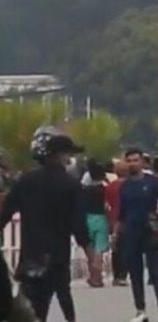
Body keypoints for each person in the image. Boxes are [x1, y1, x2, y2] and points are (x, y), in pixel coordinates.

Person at [0, 127, 92, 322]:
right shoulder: (71, 185)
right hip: (58, 256)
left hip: (31, 256)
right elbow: (79, 226)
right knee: (64, 297)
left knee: (32, 307)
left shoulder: (26, 181)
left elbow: (4, 214)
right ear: (61, 155)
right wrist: (91, 256)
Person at [116, 148, 158, 322]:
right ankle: (140, 311)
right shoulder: (124, 186)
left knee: (155, 272)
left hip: (151, 232)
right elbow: (122, 213)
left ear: (142, 162)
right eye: (129, 160)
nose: (132, 163)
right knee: (135, 274)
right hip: (131, 233)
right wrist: (116, 234)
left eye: (136, 160)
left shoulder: (153, 182)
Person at [83, 160, 110, 287]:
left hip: (87, 218)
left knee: (90, 248)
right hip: (101, 219)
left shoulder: (84, 190)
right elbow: (107, 206)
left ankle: (92, 275)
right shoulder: (105, 190)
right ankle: (97, 277)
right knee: (99, 249)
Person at [106, 161, 129, 286]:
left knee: (116, 249)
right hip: (126, 219)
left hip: (113, 219)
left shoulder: (110, 186)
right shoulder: (129, 185)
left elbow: (107, 204)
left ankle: (116, 275)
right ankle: (123, 275)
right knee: (126, 248)